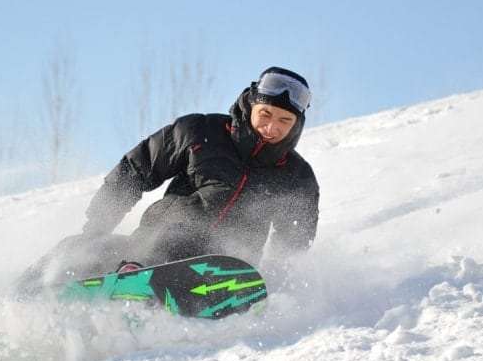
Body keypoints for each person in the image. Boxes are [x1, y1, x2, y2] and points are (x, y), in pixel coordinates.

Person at [18, 66, 320, 292]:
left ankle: (135, 280)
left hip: (223, 269)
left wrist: (276, 286)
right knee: (77, 250)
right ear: (251, 105)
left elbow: (293, 244)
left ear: (297, 125)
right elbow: (135, 170)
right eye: (265, 114)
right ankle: (8, 303)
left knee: (171, 244)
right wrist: (97, 227)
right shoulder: (200, 132)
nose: (271, 127)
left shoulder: (297, 178)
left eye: (284, 121)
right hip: (154, 242)